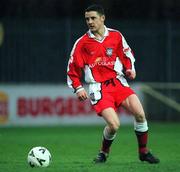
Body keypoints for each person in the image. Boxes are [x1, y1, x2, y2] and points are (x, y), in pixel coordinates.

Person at [67, 4, 160, 164]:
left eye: (93, 18)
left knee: (140, 114)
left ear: (102, 18)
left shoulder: (116, 36)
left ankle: (143, 152)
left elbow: (126, 53)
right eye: (87, 19)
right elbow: (72, 68)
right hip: (99, 87)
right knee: (114, 125)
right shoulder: (82, 43)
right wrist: (78, 87)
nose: (90, 21)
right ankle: (103, 153)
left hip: (118, 83)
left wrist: (130, 68)